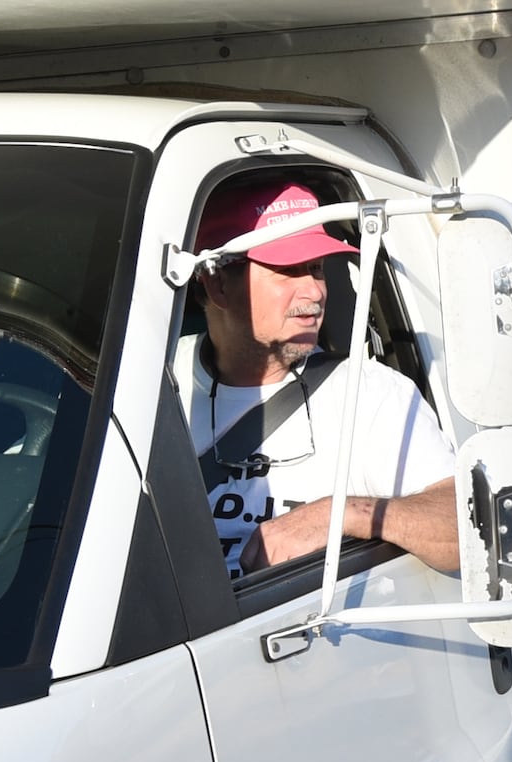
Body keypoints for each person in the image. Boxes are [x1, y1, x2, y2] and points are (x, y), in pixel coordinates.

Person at [185, 173, 461, 579]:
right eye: (290, 270)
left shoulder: (370, 393)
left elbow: (465, 527)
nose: (314, 292)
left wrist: (341, 513)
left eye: (316, 268)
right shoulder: (153, 386)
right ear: (217, 285)